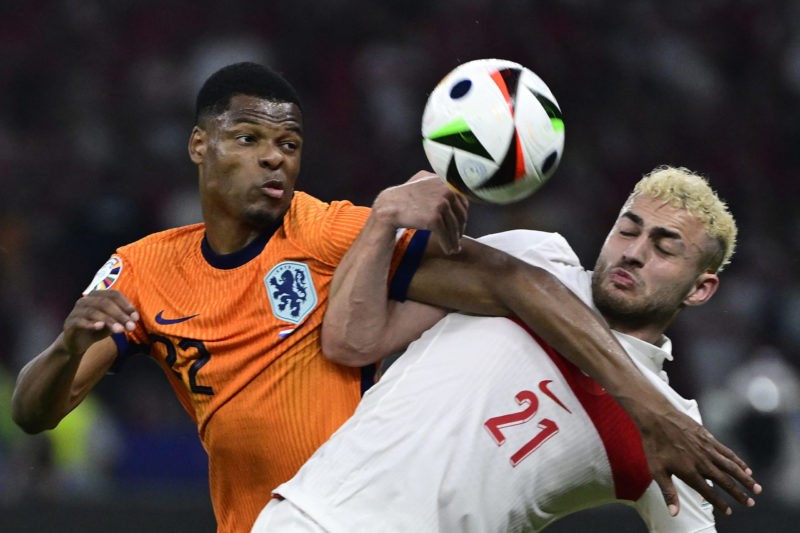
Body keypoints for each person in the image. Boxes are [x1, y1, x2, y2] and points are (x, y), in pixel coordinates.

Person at [10, 62, 756, 532]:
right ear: (199, 146)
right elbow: (34, 412)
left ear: (703, 287)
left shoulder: (333, 230)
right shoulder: (139, 270)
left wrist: (652, 411)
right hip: (295, 517)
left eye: (291, 144)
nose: (275, 155)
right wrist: (70, 344)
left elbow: (507, 283)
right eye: (249, 138)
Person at [252, 165, 754, 532]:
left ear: (700, 289)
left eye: (665, 247)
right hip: (310, 517)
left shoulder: (675, 434)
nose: (635, 252)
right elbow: (351, 340)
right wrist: (383, 219)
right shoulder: (533, 256)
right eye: (628, 228)